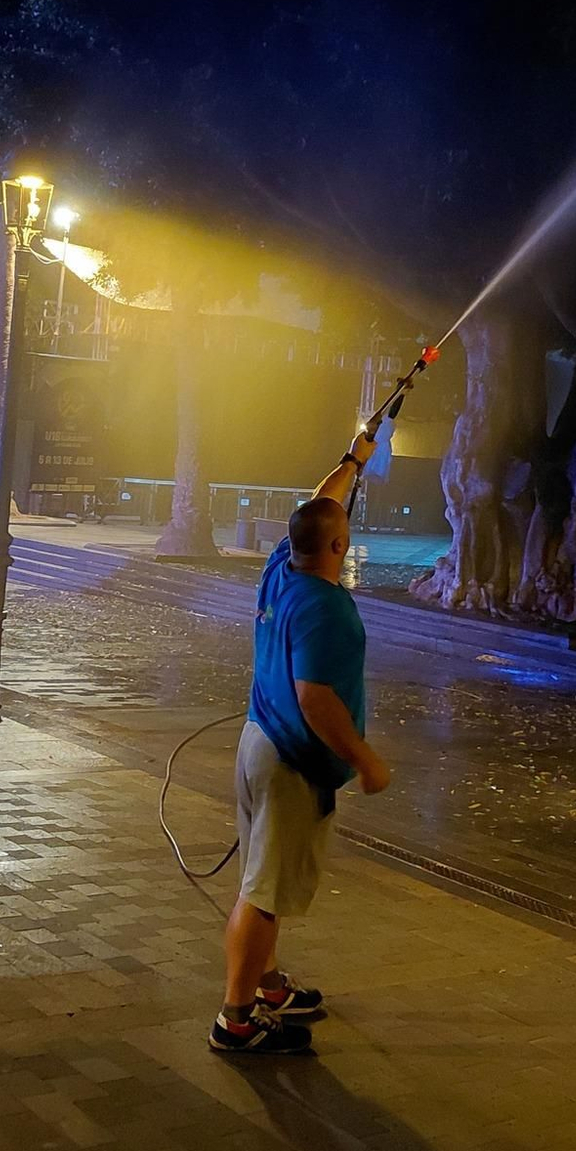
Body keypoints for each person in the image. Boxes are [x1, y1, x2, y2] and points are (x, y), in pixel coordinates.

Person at [211, 428, 391, 1054]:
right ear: (340, 546)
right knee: (262, 895)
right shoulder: (328, 606)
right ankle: (236, 1019)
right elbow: (316, 697)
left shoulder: (281, 570)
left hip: (258, 742)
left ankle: (267, 988)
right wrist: (364, 759)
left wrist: (350, 461)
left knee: (267, 877)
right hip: (291, 761)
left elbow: (314, 509)